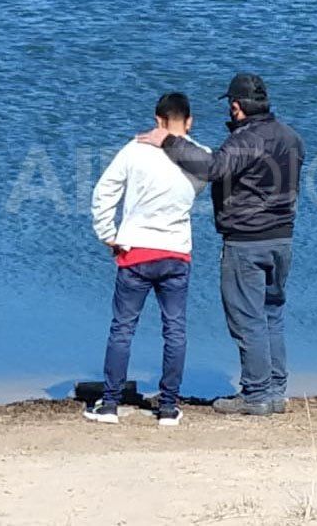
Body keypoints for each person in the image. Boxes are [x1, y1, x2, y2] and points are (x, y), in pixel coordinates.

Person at [137, 73, 304, 416]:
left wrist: (169, 142)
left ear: (236, 107)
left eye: (231, 107)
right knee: (272, 314)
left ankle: (256, 394)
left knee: (247, 318)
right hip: (282, 239)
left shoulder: (245, 140)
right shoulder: (291, 137)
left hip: (246, 241)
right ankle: (274, 392)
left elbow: (212, 168)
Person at [86, 92, 208, 427]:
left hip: (135, 251)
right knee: (175, 330)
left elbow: (104, 191)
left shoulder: (135, 149)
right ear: (190, 121)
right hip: (176, 253)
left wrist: (107, 233)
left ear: (157, 120)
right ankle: (168, 407)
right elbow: (206, 175)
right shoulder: (201, 157)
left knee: (123, 329)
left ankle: (109, 404)